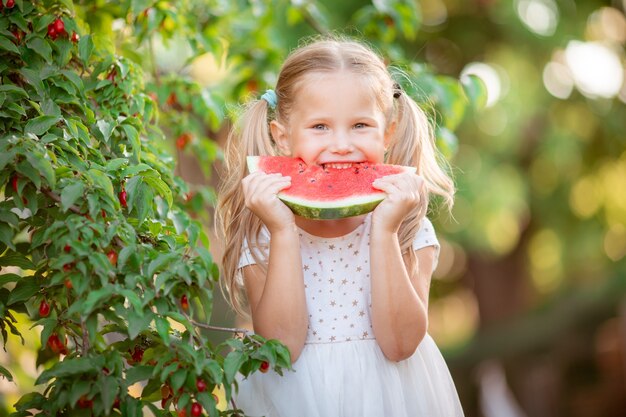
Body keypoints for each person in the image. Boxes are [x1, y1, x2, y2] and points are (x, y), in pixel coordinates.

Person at [216, 37, 465, 417]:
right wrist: (283, 231)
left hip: (394, 399)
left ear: (389, 133)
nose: (342, 144)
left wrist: (384, 231)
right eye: (320, 127)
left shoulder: (410, 225)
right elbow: (282, 347)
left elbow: (399, 344)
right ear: (282, 137)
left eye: (360, 125)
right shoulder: (263, 232)